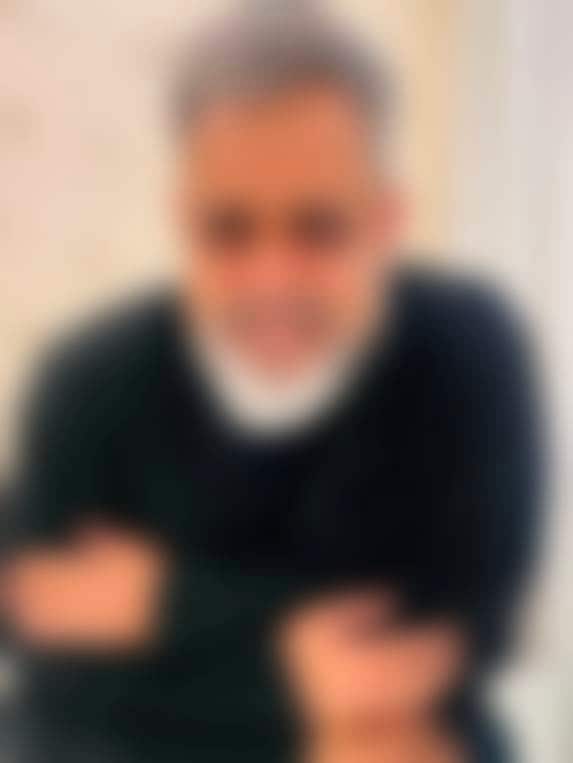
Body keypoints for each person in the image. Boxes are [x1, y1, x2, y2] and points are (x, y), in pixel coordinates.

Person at [1, 2, 541, 762]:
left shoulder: (466, 355)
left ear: (385, 222)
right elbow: (41, 640)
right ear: (183, 221)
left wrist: (162, 601)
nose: (272, 278)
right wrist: (290, 655)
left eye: (318, 227)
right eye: (229, 229)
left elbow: (450, 647)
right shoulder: (87, 380)